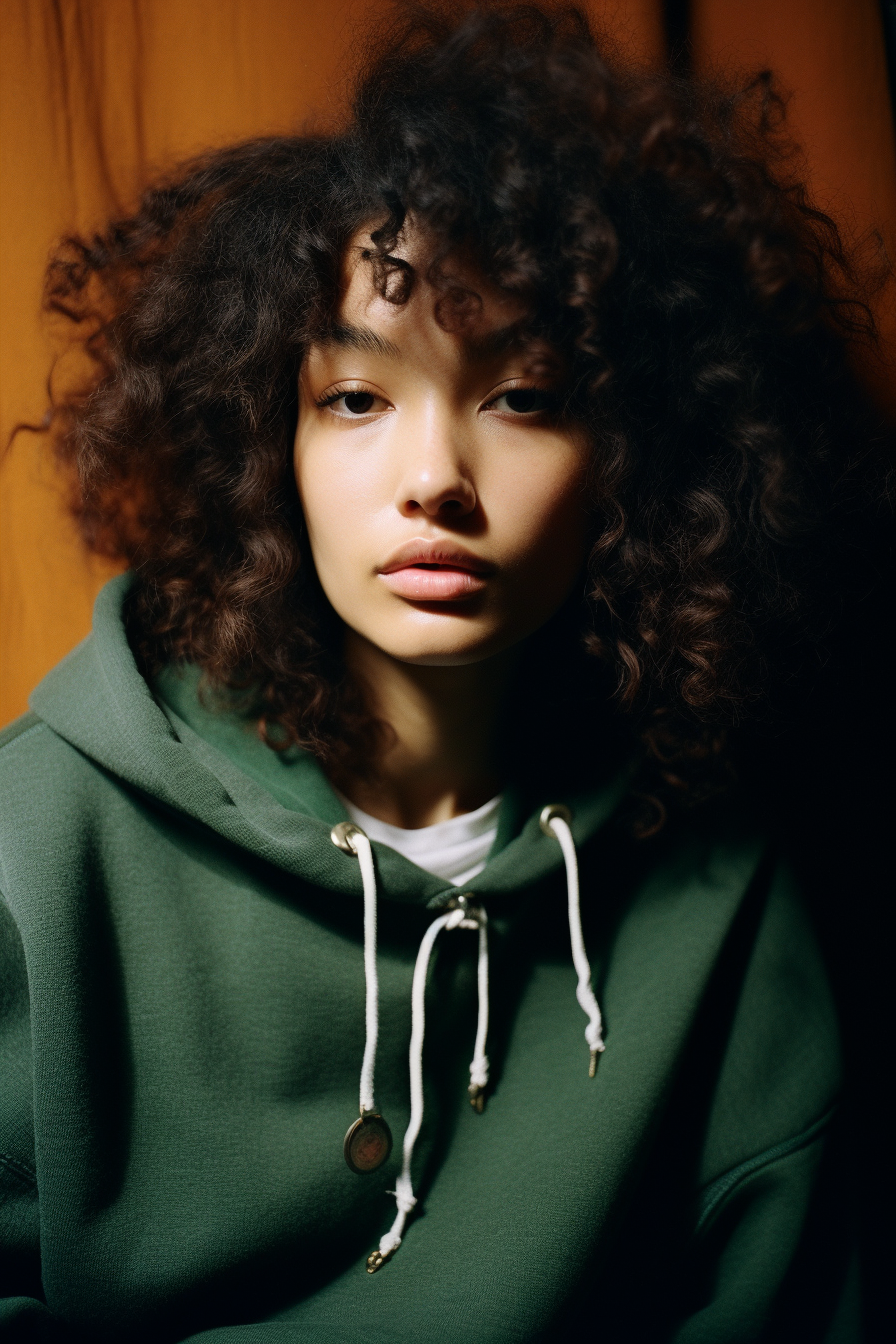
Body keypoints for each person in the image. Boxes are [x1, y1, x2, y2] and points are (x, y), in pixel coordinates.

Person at [0, 4, 886, 1339]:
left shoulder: (723, 883)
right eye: (356, 400)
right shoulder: (42, 841)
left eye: (522, 397)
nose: (434, 483)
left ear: (631, 459)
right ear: (265, 443)